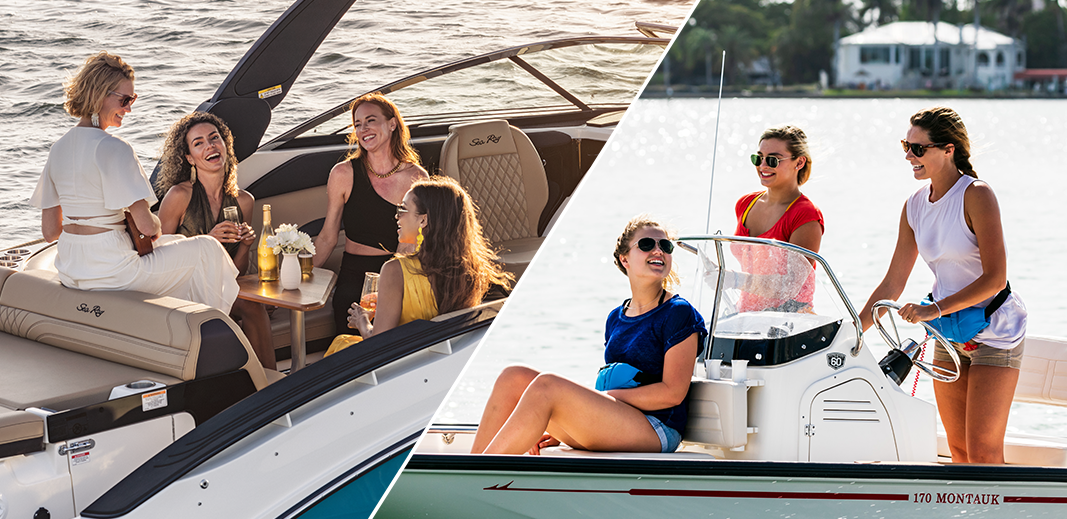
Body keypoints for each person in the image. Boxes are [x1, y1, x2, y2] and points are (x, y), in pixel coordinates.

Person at [859, 106, 1026, 464]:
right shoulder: (914, 206)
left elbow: (995, 279)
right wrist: (854, 331)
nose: (908, 156)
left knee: (982, 450)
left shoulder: (977, 194)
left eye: (918, 149)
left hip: (995, 332)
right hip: (948, 333)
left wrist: (931, 310)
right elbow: (893, 282)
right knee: (959, 451)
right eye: (906, 145)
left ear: (948, 150)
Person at [470, 216, 706, 455]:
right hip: (618, 421)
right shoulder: (616, 317)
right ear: (624, 258)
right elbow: (615, 383)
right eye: (647, 244)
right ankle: (470, 466)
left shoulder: (678, 312)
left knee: (547, 386)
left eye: (665, 246)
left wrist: (602, 398)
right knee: (513, 377)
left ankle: (476, 478)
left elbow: (672, 394)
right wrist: (571, 420)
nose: (658, 251)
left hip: (657, 428)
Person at [30, 51, 238, 312]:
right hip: (114, 272)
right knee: (207, 248)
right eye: (125, 99)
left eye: (133, 99)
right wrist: (154, 224)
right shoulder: (115, 148)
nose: (129, 108)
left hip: (71, 269)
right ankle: (209, 332)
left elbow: (51, 232)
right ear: (100, 95)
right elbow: (148, 227)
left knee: (176, 245)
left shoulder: (57, 149)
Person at [325, 176, 512, 353]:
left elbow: (379, 345)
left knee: (341, 343)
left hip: (398, 361)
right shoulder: (472, 270)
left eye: (403, 209)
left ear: (423, 219)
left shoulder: (395, 270)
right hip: (435, 359)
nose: (397, 216)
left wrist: (362, 321)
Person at [156, 112, 275, 370]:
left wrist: (244, 245)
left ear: (225, 145)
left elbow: (237, 272)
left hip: (222, 286)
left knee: (254, 306)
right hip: (184, 289)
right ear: (189, 158)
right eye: (198, 143)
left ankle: (268, 380)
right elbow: (158, 257)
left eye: (214, 138)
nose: (209, 145)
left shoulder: (244, 201)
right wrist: (206, 240)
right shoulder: (179, 196)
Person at [313, 92, 429, 336]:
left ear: (392, 123)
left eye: (371, 120)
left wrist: (391, 281)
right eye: (357, 124)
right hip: (355, 272)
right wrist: (298, 277)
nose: (363, 128)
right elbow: (327, 237)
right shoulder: (343, 174)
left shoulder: (416, 177)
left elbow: (411, 242)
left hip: (400, 267)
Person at [731, 125, 824, 313]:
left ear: (799, 163)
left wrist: (733, 279)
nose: (763, 165)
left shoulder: (805, 214)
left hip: (790, 324)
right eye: (758, 158)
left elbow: (790, 285)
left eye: (773, 160)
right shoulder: (745, 204)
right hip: (747, 318)